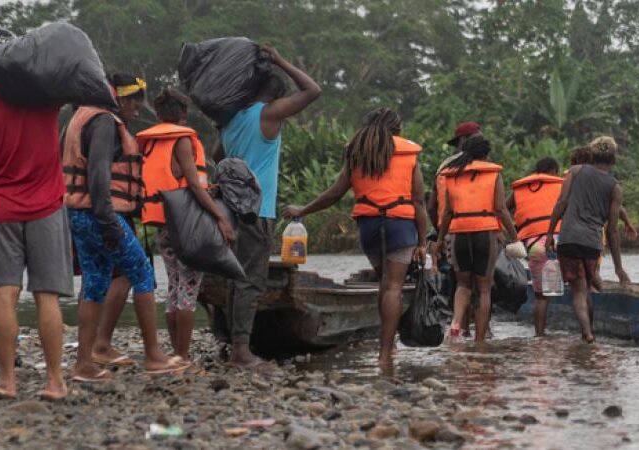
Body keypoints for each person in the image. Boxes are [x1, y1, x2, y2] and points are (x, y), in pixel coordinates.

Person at [0, 27, 70, 400]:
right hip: (47, 208)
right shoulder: (45, 98)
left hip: (1, 210)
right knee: (47, 296)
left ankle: (7, 382)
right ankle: (54, 381)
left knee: (4, 295)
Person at [64, 74, 189, 380]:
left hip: (78, 213)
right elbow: (98, 176)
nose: (136, 108)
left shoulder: (79, 119)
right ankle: (154, 356)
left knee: (95, 282)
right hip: (102, 214)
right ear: (117, 99)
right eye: (133, 100)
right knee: (143, 273)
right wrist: (108, 221)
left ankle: (85, 363)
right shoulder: (105, 122)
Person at [282, 108, 427, 368]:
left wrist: (302, 210)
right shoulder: (408, 153)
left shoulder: (357, 151)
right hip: (401, 224)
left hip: (369, 225)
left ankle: (387, 344)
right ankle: (386, 353)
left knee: (385, 281)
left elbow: (335, 192)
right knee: (394, 286)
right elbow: (418, 200)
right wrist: (424, 242)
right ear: (396, 129)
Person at [219, 43, 321, 369]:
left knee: (235, 277)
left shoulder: (231, 119)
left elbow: (217, 157)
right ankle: (240, 351)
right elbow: (313, 90)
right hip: (256, 211)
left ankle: (234, 343)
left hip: (228, 208)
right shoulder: (269, 113)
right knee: (251, 280)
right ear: (274, 98)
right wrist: (280, 59)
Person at [137, 89, 235, 363]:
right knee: (189, 288)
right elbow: (192, 183)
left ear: (157, 114)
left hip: (162, 223)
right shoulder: (181, 139)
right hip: (185, 225)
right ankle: (181, 355)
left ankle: (175, 352)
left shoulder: (152, 142)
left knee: (174, 286)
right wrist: (219, 216)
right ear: (183, 113)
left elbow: (178, 177)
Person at [434, 135, 520, 343]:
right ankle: (480, 341)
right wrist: (514, 237)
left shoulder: (453, 174)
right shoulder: (493, 174)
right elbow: (500, 208)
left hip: (460, 233)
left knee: (463, 285)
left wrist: (439, 239)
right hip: (485, 233)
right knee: (483, 288)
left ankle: (456, 324)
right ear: (486, 154)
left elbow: (447, 213)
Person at [545, 141, 630, 343]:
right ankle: (590, 331)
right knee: (588, 288)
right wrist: (619, 268)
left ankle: (587, 333)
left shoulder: (575, 171)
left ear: (592, 156)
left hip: (569, 239)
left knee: (579, 291)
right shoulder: (615, 188)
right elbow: (611, 230)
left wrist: (549, 233)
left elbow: (561, 203)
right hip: (592, 243)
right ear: (613, 160)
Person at [507, 157, 563, 336]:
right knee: (579, 287)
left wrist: (511, 236)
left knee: (540, 297)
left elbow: (502, 209)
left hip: (534, 246)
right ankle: (586, 334)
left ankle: (540, 335)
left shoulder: (520, 190)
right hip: (560, 242)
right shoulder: (560, 185)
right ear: (554, 171)